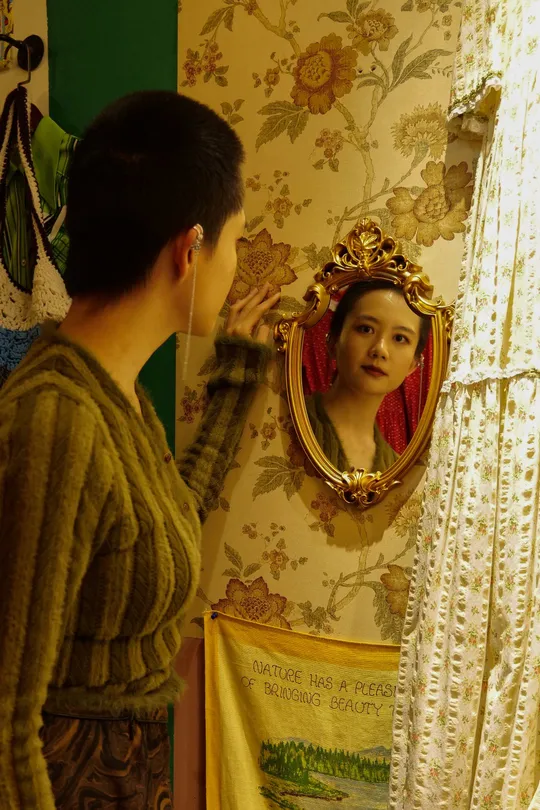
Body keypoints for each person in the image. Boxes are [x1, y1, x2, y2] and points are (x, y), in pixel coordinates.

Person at [0, 90, 279, 810]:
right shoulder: (58, 420)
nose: (237, 264)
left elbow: (164, 524)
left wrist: (236, 383)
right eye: (236, 241)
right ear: (190, 249)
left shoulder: (116, 399)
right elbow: (5, 723)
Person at [306, 280, 430, 473]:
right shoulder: (286, 420)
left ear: (413, 365)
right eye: (366, 329)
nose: (380, 350)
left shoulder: (397, 471)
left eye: (400, 338)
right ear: (333, 341)